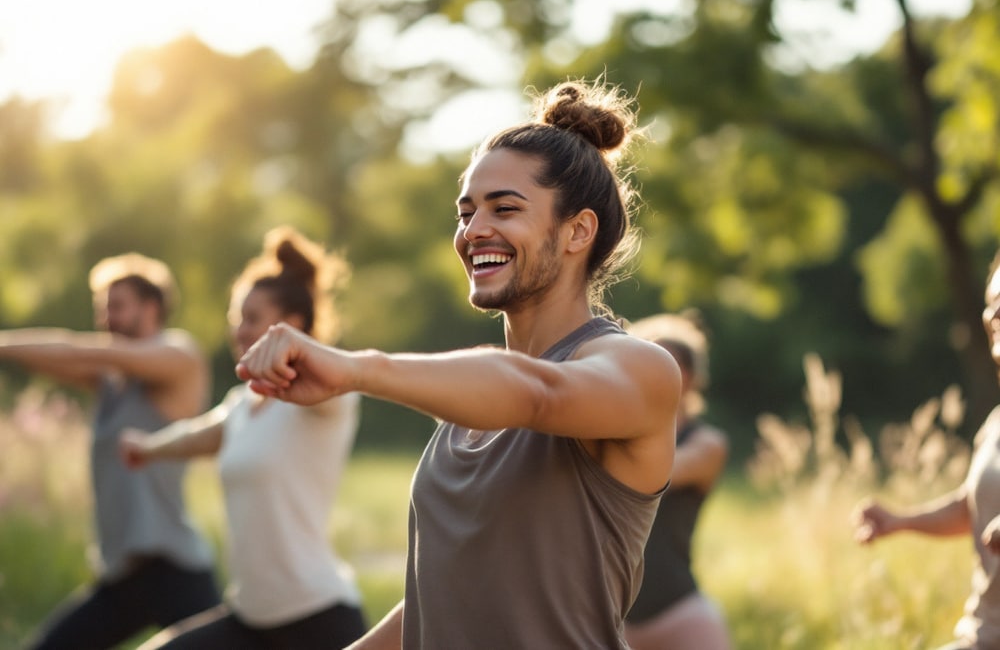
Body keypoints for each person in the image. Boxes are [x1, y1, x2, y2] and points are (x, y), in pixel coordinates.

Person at [235, 79, 681, 649]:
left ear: (578, 231)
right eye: (466, 212)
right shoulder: (470, 400)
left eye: (505, 209)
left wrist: (355, 369)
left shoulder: (640, 370)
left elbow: (538, 394)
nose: (474, 231)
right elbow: (440, 596)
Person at [118, 226, 367, 650]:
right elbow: (200, 435)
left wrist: (299, 352)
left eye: (251, 319)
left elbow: (348, 374)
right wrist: (148, 448)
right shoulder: (242, 405)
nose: (239, 331)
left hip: (318, 619)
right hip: (251, 619)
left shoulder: (326, 397)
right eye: (236, 319)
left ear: (291, 326)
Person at [3, 253, 220, 650]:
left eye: (117, 307)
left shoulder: (179, 356)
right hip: (123, 576)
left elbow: (82, 350)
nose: (107, 320)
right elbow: (60, 356)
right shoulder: (110, 380)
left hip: (177, 572)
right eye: (103, 309)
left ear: (151, 307)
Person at [853, 250, 1000, 650]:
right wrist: (899, 521)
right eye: (992, 305)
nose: (994, 317)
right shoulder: (995, 424)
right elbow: (973, 506)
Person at [623, 311, 732, 650]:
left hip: (680, 614)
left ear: (689, 376)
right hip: (611, 618)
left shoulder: (708, 444)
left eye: (671, 362)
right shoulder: (614, 438)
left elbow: (657, 474)